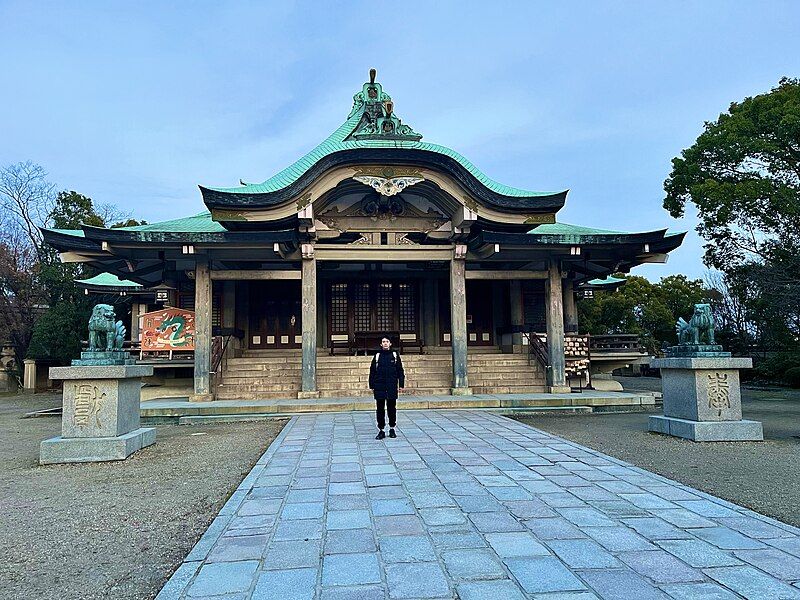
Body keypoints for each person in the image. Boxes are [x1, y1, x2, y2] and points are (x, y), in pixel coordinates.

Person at [369, 335, 405, 440]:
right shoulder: (377, 356)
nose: (385, 343)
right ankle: (381, 430)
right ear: (381, 344)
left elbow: (400, 370)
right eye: (383, 341)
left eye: (387, 341)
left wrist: (401, 384)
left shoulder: (394, 355)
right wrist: (372, 385)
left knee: (391, 408)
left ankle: (392, 428)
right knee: (380, 409)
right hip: (379, 385)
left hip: (391, 385)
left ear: (390, 344)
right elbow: (372, 371)